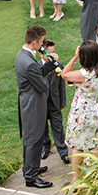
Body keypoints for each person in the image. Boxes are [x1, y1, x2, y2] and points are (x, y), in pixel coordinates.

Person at [15, 25, 59, 188]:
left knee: (30, 137)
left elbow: (37, 73)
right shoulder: (29, 63)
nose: (41, 44)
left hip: (27, 101)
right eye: (40, 41)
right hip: (33, 104)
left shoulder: (22, 55)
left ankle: (30, 167)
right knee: (34, 138)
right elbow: (42, 86)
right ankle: (31, 177)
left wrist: (50, 64)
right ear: (34, 42)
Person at [60, 40, 98, 177]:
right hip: (97, 110)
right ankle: (96, 176)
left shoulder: (83, 74)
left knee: (77, 145)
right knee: (94, 143)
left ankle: (77, 179)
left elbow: (64, 74)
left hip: (81, 113)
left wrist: (74, 58)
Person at [39, 38, 70, 166]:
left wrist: (62, 101)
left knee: (58, 126)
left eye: (53, 52)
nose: (52, 55)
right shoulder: (36, 66)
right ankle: (45, 147)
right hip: (41, 103)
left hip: (55, 101)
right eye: (49, 53)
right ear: (42, 53)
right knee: (43, 128)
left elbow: (61, 85)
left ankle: (63, 152)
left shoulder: (59, 65)